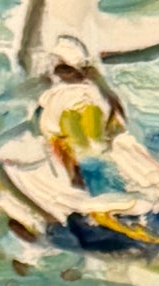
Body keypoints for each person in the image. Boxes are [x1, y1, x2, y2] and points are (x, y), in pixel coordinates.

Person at [37, 32, 130, 195]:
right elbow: (114, 106)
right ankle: (94, 184)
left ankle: (89, 185)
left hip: (76, 127)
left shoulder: (72, 95)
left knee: (89, 155)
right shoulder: (82, 91)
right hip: (79, 127)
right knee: (91, 155)